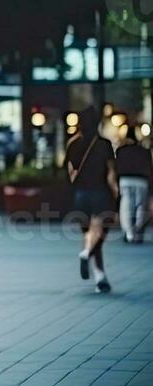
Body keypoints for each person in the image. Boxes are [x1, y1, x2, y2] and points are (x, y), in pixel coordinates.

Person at [64, 109, 119, 293]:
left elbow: (71, 173)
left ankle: (100, 276)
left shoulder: (72, 144)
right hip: (100, 192)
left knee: (89, 232)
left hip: (80, 194)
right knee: (98, 232)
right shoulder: (104, 144)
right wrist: (116, 192)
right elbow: (111, 173)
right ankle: (87, 254)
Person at [114, 128, 151, 244]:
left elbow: (116, 167)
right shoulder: (144, 151)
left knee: (126, 205)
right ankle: (138, 230)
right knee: (140, 205)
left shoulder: (121, 150)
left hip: (125, 179)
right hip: (141, 179)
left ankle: (129, 233)